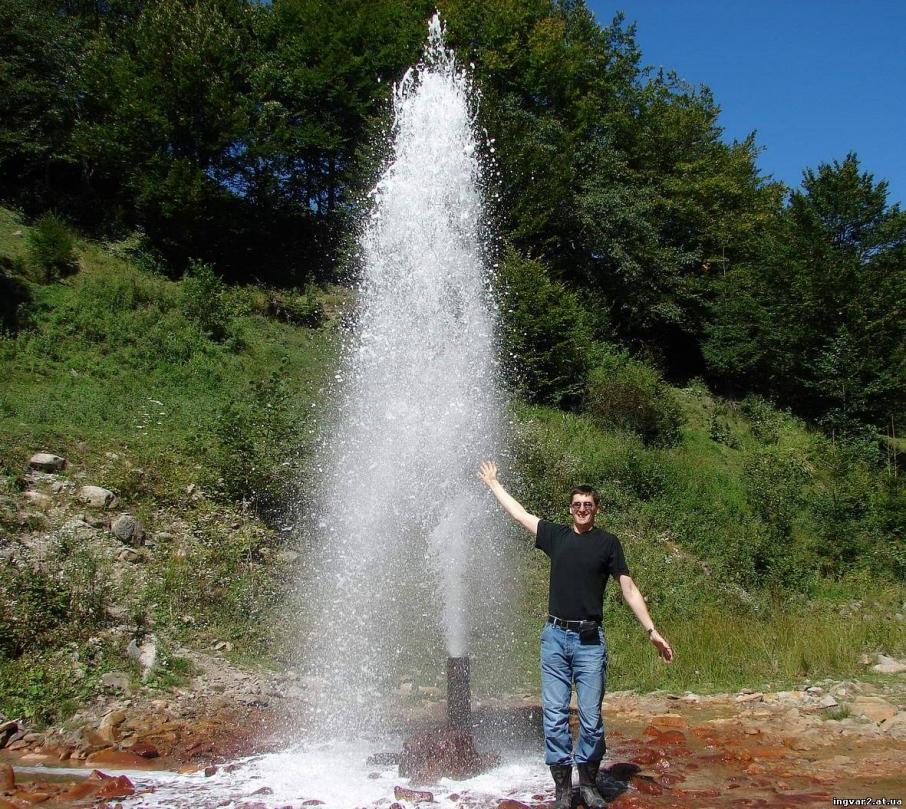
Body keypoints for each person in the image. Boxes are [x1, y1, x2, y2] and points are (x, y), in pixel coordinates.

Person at [478, 461, 673, 809]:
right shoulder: (556, 536)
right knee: (553, 718)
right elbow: (520, 514)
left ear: (596, 509)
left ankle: (589, 784)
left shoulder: (608, 544)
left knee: (591, 719)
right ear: (571, 509)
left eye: (588, 505)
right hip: (554, 638)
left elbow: (628, 588)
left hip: (589, 642)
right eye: (577, 505)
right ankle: (563, 789)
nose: (582, 509)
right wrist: (494, 485)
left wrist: (651, 630)